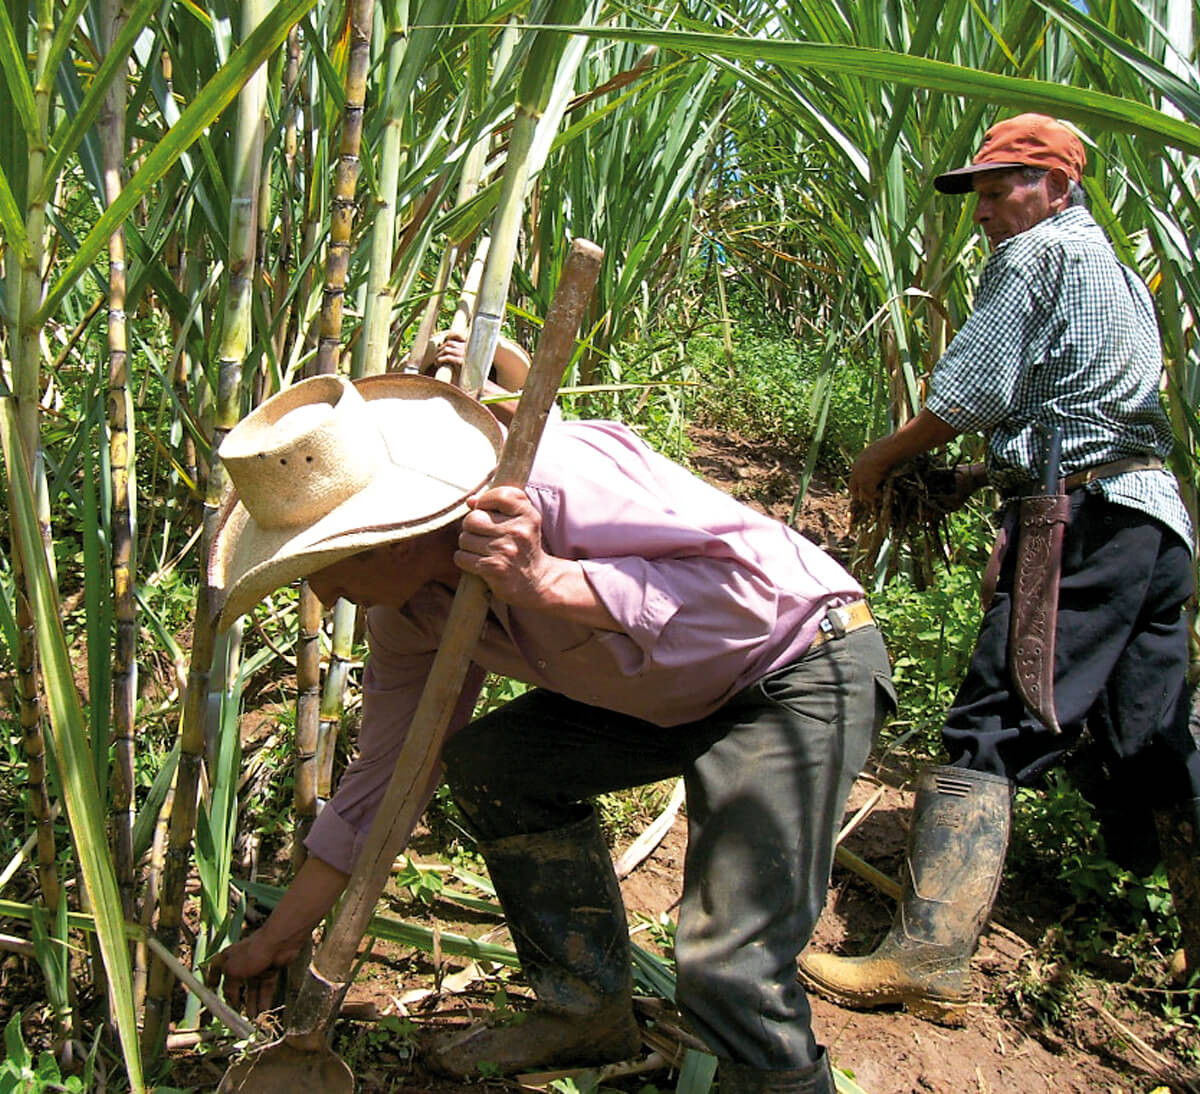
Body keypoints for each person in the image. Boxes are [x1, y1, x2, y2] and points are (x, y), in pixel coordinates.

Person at [204, 339, 896, 1093]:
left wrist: (549, 581)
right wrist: (281, 935)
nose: (326, 595)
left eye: (324, 565)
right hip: (663, 699)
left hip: (795, 667)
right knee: (495, 764)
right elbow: (385, 784)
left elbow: (751, 602)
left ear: (383, 533)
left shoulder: (560, 480)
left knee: (728, 960)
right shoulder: (409, 613)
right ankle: (584, 1013)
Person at [799, 113, 1200, 1026]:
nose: (980, 212)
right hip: (1155, 524)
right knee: (1149, 738)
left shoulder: (1036, 255)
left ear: (1056, 186)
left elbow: (971, 391)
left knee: (994, 722)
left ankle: (929, 957)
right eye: (976, 192)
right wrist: (985, 474)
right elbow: (1093, 412)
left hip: (1087, 526)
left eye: (997, 188)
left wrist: (879, 460)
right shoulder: (1118, 273)